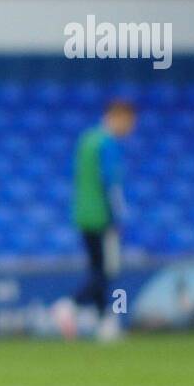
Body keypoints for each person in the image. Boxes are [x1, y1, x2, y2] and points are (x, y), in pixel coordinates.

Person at [54, 99, 136, 342]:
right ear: (117, 116)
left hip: (82, 213)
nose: (129, 129)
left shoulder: (86, 139)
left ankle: (105, 323)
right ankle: (69, 304)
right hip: (102, 216)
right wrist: (119, 216)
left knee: (96, 268)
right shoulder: (107, 144)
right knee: (106, 270)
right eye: (128, 122)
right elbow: (111, 183)